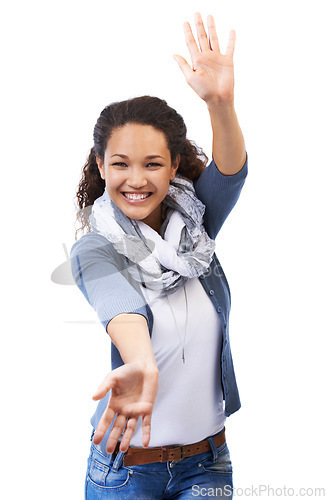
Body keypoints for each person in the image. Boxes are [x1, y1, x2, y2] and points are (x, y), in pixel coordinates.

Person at [70, 12, 247, 499]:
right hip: (124, 469)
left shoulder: (196, 227)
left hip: (207, 462)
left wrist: (221, 103)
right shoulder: (95, 247)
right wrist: (141, 361)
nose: (136, 179)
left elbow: (230, 175)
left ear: (173, 167)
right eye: (120, 164)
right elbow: (119, 306)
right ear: (101, 165)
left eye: (153, 164)